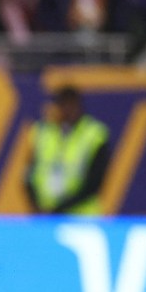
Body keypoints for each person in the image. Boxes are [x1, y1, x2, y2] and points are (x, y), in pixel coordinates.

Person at [24, 85, 111, 217]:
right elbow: (29, 175)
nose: (68, 110)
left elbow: (94, 184)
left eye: (71, 105)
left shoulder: (94, 135)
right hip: (46, 217)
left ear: (79, 106)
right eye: (63, 105)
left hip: (82, 218)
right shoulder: (42, 133)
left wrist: (59, 209)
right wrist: (37, 207)